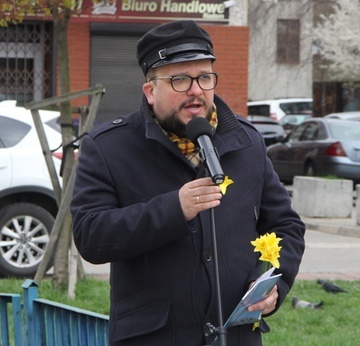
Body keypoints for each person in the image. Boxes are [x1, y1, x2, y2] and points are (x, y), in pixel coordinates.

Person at [71, 20, 305, 345]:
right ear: (151, 91)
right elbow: (90, 236)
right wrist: (173, 209)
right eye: (179, 79)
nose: (196, 90)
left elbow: (285, 226)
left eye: (205, 77)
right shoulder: (109, 147)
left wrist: (272, 283)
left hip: (235, 335)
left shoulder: (247, 143)